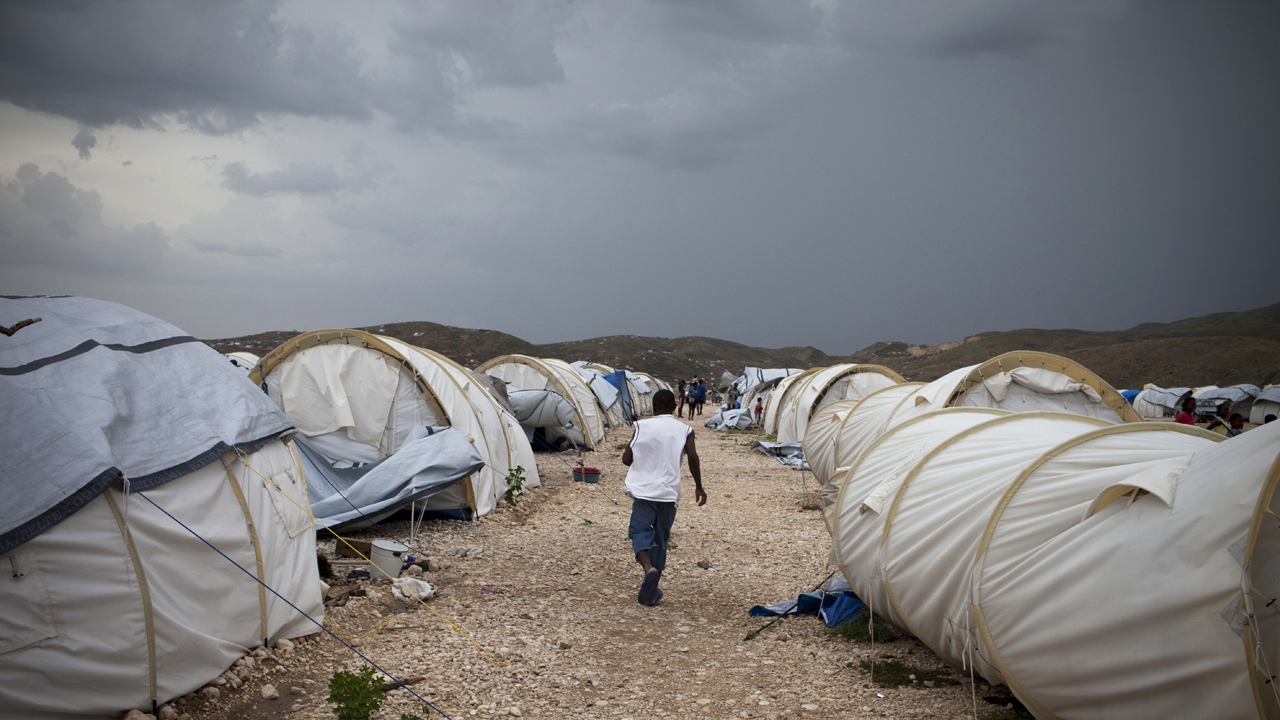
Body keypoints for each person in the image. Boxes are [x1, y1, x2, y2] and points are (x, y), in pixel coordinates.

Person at [621, 389, 706, 607]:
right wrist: (699, 487)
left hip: (644, 491)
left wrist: (646, 461)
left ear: (654, 407)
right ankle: (652, 587)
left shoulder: (642, 426)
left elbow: (627, 459)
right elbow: (693, 458)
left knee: (640, 531)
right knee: (661, 537)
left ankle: (648, 568)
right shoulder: (685, 429)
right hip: (669, 493)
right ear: (675, 406)